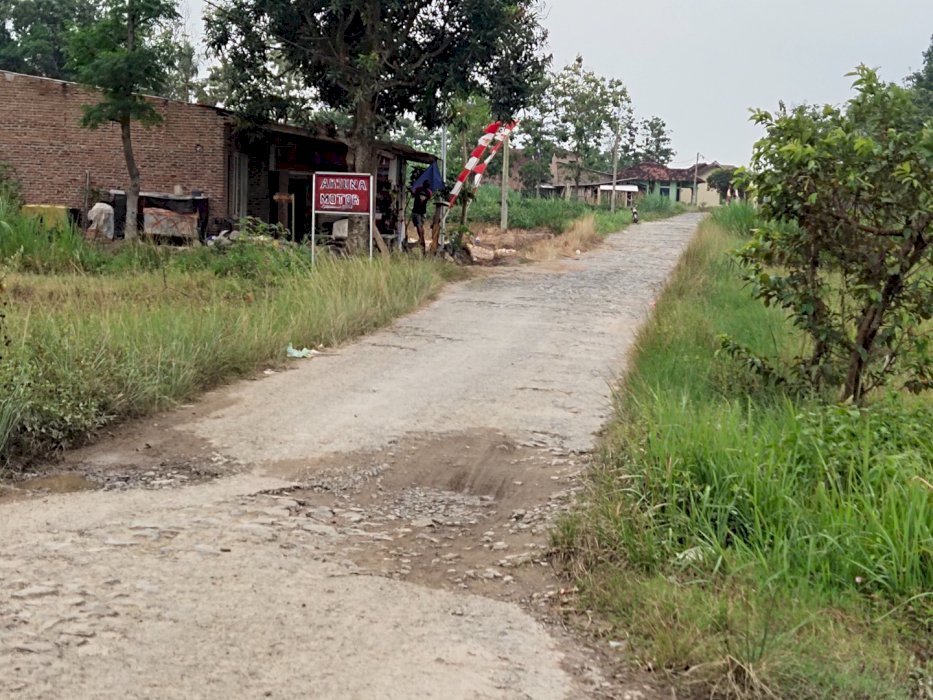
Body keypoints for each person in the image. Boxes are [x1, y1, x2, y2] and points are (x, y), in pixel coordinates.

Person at [411, 184, 431, 252]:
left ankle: (421, 238)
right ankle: (421, 238)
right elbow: (429, 197)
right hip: (421, 212)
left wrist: (411, 190)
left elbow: (413, 194)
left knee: (419, 226)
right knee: (420, 226)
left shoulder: (418, 189)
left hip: (418, 212)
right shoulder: (428, 192)